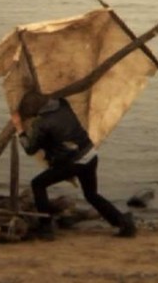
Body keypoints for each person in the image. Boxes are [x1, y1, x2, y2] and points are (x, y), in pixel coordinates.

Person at [12, 97, 136, 241]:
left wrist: (19, 128)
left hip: (74, 162)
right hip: (90, 155)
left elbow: (30, 149)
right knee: (91, 195)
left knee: (37, 184)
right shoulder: (62, 104)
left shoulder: (42, 124)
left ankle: (46, 227)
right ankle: (123, 223)